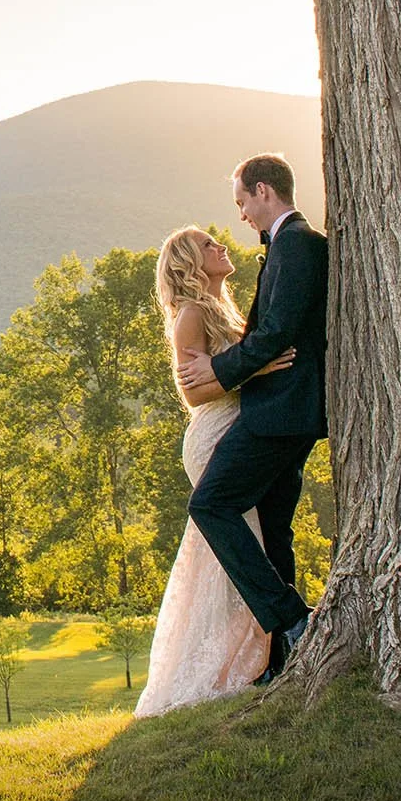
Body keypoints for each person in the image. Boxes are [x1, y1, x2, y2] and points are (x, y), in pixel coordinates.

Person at [175, 153, 330, 685]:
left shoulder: (298, 243)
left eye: (241, 201)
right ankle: (285, 659)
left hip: (281, 409)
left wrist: (221, 368)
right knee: (274, 535)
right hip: (280, 407)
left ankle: (290, 620)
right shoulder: (286, 246)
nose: (240, 215)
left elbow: (278, 330)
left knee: (211, 504)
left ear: (264, 191)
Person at [134, 225, 293, 716]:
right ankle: (246, 657)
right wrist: (257, 368)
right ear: (188, 261)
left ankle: (265, 653)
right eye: (207, 244)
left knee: (256, 544)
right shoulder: (192, 314)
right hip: (215, 436)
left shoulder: (224, 306)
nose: (220, 245)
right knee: (232, 544)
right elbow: (194, 393)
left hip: (245, 430)